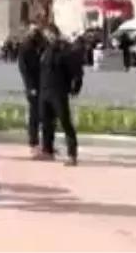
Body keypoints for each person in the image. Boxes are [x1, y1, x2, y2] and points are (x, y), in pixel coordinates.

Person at [39, 24, 83, 166]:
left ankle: (72, 153)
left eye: (49, 34)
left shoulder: (64, 50)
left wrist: (75, 88)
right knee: (46, 122)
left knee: (65, 122)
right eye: (46, 34)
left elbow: (76, 71)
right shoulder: (45, 50)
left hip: (59, 91)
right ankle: (47, 150)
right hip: (45, 90)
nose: (48, 37)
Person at [16, 26, 46, 158]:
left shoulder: (43, 46)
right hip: (33, 86)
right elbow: (24, 70)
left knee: (45, 115)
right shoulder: (25, 48)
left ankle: (46, 144)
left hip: (44, 85)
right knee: (34, 114)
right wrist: (30, 87)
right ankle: (33, 142)